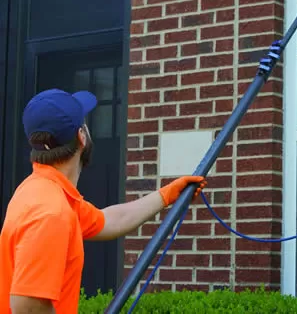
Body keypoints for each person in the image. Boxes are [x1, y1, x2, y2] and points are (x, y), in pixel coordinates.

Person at [0, 89, 207, 314]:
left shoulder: (43, 191)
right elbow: (27, 306)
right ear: (81, 136)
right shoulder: (51, 212)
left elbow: (108, 220)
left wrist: (166, 195)